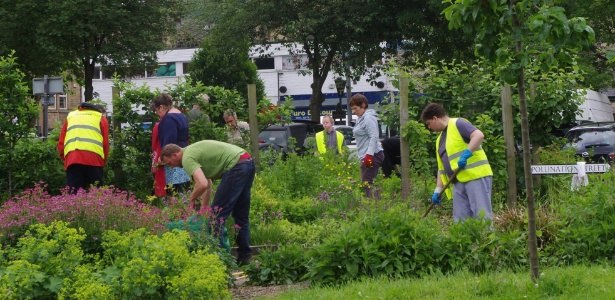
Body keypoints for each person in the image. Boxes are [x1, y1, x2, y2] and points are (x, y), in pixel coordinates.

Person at [160, 140, 255, 265]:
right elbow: (207, 184)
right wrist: (204, 209)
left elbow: (202, 184)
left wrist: (192, 199)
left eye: (170, 163)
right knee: (240, 215)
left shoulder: (187, 158)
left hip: (236, 167)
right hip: (247, 162)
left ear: (175, 155)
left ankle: (221, 260)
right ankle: (245, 257)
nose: (172, 167)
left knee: (216, 218)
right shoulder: (192, 151)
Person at [420, 103, 493, 221]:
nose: (429, 127)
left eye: (429, 123)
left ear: (435, 118)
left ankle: (486, 239)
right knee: (461, 219)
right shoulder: (439, 140)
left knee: (481, 215)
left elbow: (478, 135)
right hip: (457, 182)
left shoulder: (458, 123)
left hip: (475, 177)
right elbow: (441, 167)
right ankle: (466, 240)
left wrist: (467, 153)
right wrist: (438, 190)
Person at [57, 102, 110, 194]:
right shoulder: (100, 118)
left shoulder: (71, 116)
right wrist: (102, 162)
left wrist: (67, 160)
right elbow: (105, 144)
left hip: (73, 160)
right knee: (97, 195)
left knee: (74, 195)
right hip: (95, 160)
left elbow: (61, 143)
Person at [150, 93, 192, 194]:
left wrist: (161, 158)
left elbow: (169, 141)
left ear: (161, 107)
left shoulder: (169, 119)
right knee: (185, 190)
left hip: (173, 158)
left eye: (156, 110)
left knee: (174, 192)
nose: (156, 113)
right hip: (184, 154)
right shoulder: (180, 115)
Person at [349, 93, 384, 198]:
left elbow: (374, 136)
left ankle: (374, 205)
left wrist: (369, 155)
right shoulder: (361, 118)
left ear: (363, 105)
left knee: (367, 182)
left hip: (372, 154)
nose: (354, 111)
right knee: (367, 182)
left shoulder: (368, 118)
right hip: (366, 155)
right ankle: (376, 204)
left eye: (355, 108)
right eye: (353, 109)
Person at [151, 122, 166, 197]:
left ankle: (160, 194)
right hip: (165, 153)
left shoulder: (158, 125)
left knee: (158, 174)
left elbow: (154, 142)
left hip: (158, 152)